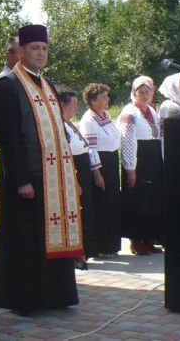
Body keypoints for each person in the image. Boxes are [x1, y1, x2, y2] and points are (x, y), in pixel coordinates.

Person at [0, 24, 81, 315]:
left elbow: (61, 133)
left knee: (49, 237)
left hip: (55, 178)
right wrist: (20, 180)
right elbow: (8, 139)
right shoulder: (8, 86)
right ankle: (26, 299)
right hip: (27, 178)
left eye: (44, 48)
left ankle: (55, 295)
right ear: (22, 52)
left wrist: (73, 175)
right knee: (27, 241)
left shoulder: (48, 84)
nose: (40, 53)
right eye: (34, 48)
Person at [118, 76, 163, 256]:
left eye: (148, 91)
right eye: (141, 92)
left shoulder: (151, 111)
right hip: (138, 160)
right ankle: (136, 241)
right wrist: (130, 168)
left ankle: (148, 238)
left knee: (152, 200)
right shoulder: (129, 112)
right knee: (138, 201)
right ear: (134, 93)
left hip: (152, 159)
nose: (144, 95)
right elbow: (128, 141)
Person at [58, 89, 103, 267]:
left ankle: (84, 250)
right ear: (62, 104)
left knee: (85, 211)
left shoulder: (69, 123)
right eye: (74, 103)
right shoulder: (60, 125)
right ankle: (76, 254)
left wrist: (95, 171)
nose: (77, 106)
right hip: (74, 168)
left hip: (83, 168)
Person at [79, 83, 122, 258]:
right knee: (102, 204)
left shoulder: (105, 116)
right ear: (92, 100)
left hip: (111, 161)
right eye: (103, 96)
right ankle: (102, 245)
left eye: (107, 96)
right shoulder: (89, 119)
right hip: (100, 165)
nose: (107, 99)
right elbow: (91, 148)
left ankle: (111, 244)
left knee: (112, 204)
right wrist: (97, 173)